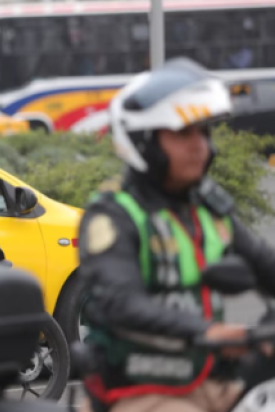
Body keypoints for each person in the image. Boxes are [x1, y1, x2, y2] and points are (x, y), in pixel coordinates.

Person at [76, 58, 275, 412]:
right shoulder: (113, 215)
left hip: (214, 383)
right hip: (140, 391)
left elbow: (264, 263)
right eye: (183, 133)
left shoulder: (209, 210)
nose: (200, 145)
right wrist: (209, 331)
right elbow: (123, 304)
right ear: (145, 142)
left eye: (204, 132)